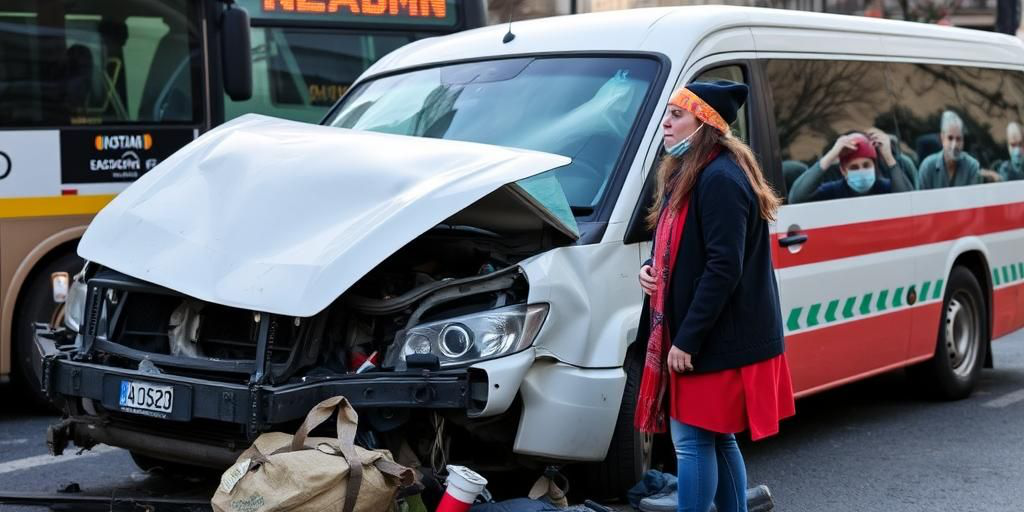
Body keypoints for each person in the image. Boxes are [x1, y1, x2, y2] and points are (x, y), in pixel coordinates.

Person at [635, 80, 795, 512]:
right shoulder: (694, 171)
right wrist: (650, 269)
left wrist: (687, 339)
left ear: (704, 124)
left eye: (677, 115)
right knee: (716, 437)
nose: (666, 123)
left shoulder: (720, 177)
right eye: (668, 114)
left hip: (714, 337)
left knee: (691, 441)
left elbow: (724, 267)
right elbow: (680, 246)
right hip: (711, 333)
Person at [788, 130, 913, 203]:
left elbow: (909, 200)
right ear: (843, 170)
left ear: (874, 167)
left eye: (866, 165)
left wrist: (889, 157)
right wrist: (831, 156)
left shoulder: (885, 188)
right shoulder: (833, 192)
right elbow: (797, 197)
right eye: (854, 167)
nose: (861, 171)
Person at [917, 111, 982, 189]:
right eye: (950, 138)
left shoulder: (972, 167)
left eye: (958, 139)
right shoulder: (927, 167)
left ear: (963, 141)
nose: (954, 145)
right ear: (942, 138)